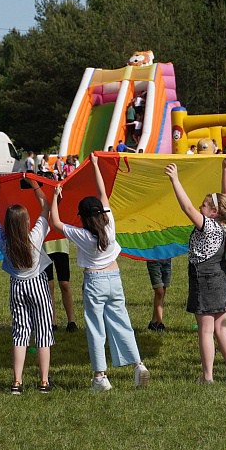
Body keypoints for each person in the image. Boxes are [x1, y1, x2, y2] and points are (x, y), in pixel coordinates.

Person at [48, 160, 150, 392]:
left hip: (95, 282)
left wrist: (55, 195)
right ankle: (138, 365)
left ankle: (100, 378)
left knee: (96, 329)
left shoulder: (82, 235)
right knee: (123, 323)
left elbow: (55, 222)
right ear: (101, 212)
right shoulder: (110, 224)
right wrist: (95, 165)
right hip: (115, 277)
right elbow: (103, 192)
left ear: (83, 217)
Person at [165, 157, 226, 383]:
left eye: (204, 205)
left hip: (204, 280)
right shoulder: (225, 223)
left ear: (212, 212)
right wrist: (225, 168)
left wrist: (175, 180)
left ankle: (207, 376)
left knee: (206, 330)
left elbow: (186, 207)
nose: (200, 207)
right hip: (221, 279)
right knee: (222, 327)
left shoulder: (207, 225)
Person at [0, 180, 55, 395]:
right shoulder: (35, 236)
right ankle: (44, 381)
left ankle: (17, 381)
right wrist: (36, 186)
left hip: (17, 286)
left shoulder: (4, 242)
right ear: (27, 222)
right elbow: (46, 207)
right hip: (37, 285)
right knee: (43, 333)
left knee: (20, 333)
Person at [43, 236, 78, 332]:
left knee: (65, 284)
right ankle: (52, 322)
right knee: (49, 285)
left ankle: (71, 321)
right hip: (44, 247)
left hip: (61, 246)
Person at [145, 259, 172, 333]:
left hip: (167, 259)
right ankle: (159, 324)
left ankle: (154, 322)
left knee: (163, 289)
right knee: (159, 292)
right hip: (153, 260)